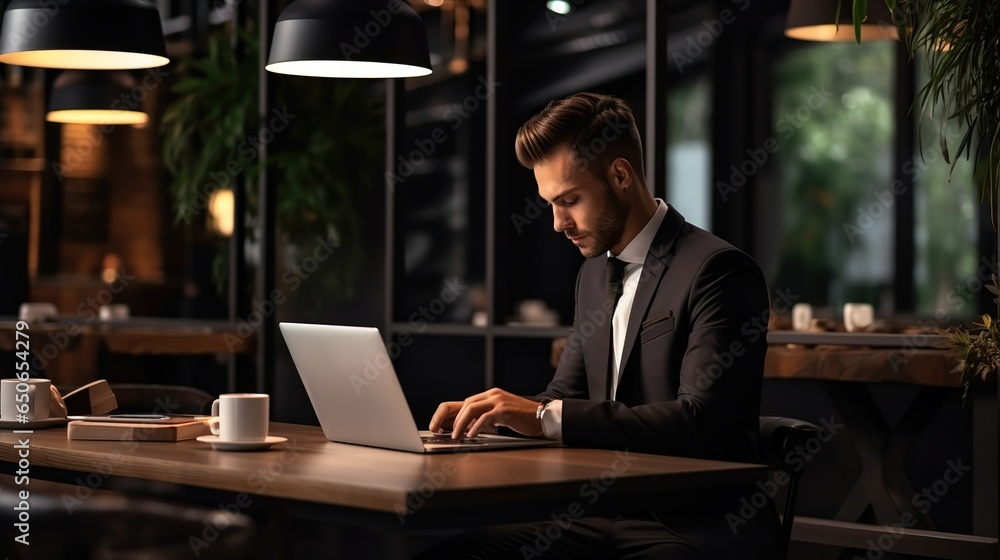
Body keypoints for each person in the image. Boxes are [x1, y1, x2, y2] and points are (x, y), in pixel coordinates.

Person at [423, 92, 779, 559]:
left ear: (620, 175)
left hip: (691, 524)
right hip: (592, 513)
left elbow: (703, 420)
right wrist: (491, 419)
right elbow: (563, 397)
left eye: (569, 200)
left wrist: (541, 417)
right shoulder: (591, 275)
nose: (557, 223)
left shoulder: (719, 270)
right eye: (550, 204)